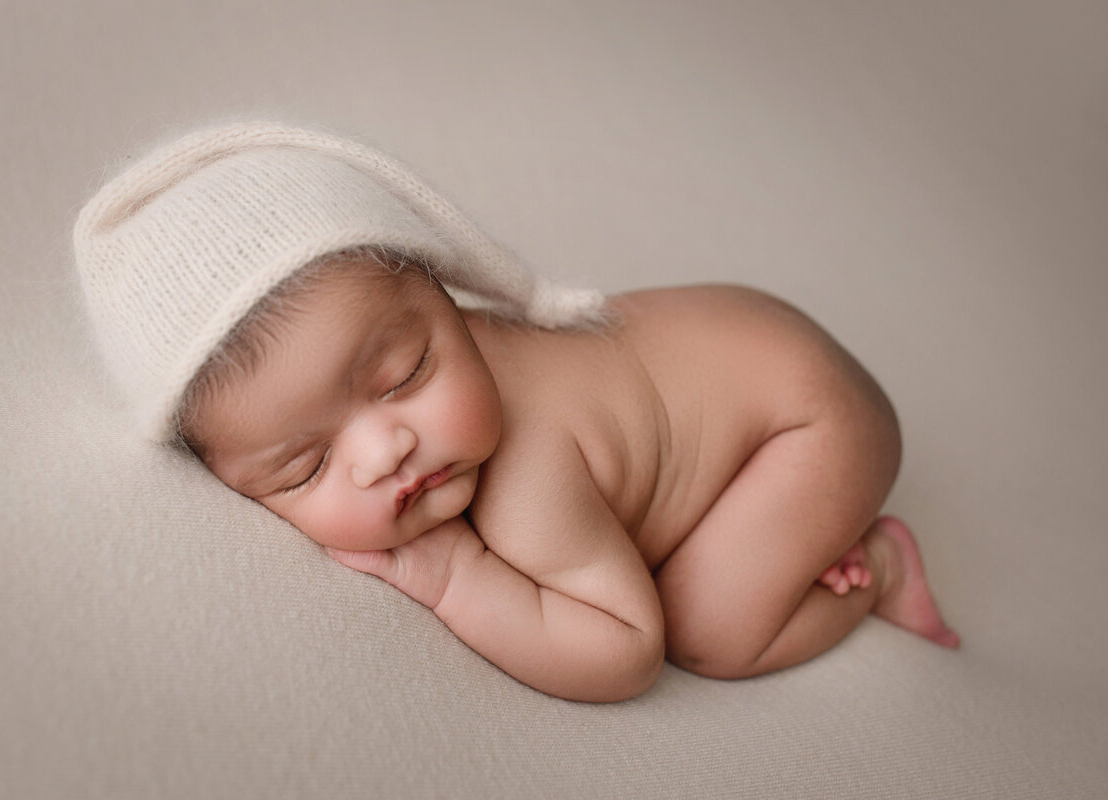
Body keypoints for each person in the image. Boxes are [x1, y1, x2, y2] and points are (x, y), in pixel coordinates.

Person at [74, 122, 959, 703]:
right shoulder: (426, 393)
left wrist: (455, 578)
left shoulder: (526, 474)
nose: (386, 449)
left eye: (407, 371)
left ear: (453, 299)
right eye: (302, 467)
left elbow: (625, 650)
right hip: (735, 338)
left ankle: (878, 564)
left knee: (709, 629)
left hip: (805, 419)